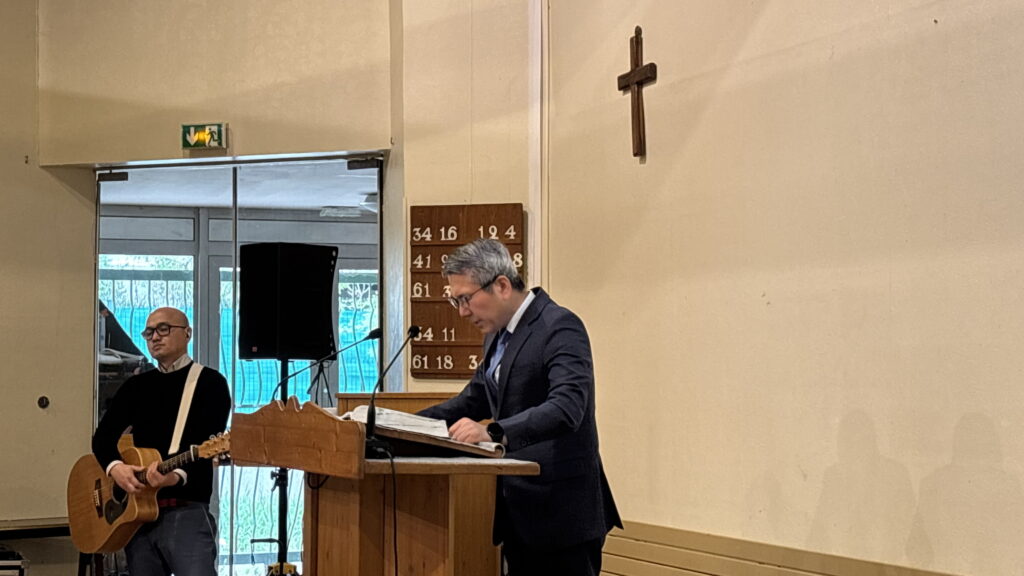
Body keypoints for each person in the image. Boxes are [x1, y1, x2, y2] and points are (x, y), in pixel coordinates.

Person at [418, 239, 621, 576]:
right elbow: (472, 400)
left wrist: (493, 432)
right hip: (519, 511)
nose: (462, 312)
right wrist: (401, 424)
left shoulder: (559, 326)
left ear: (501, 285)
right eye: (456, 301)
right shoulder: (496, 335)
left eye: (466, 299)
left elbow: (567, 407)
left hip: (561, 513)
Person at [92, 307, 231, 576]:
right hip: (137, 515)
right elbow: (102, 438)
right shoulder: (136, 386)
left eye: (164, 329)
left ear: (187, 333)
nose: (155, 337)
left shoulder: (210, 383)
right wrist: (116, 469)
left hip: (186, 511)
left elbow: (204, 447)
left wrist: (174, 476)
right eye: (149, 332)